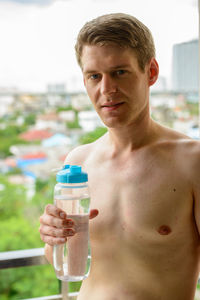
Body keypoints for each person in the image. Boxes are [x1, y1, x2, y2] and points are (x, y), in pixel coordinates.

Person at [39, 13, 200, 300]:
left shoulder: (191, 161)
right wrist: (54, 239)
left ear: (150, 72)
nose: (106, 90)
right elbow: (62, 261)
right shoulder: (78, 161)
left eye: (120, 72)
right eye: (94, 76)